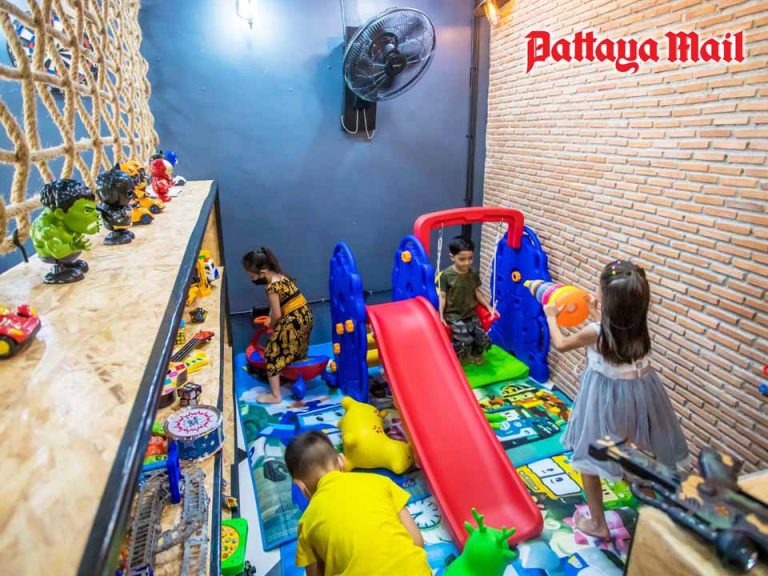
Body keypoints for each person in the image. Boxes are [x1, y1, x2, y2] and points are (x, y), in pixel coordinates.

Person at [544, 259, 688, 539]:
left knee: (590, 455)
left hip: (605, 398)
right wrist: (595, 310)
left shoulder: (594, 333)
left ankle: (598, 523)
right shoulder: (638, 327)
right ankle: (655, 512)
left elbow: (561, 344)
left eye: (599, 288)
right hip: (641, 396)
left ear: (607, 298)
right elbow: (611, 330)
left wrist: (550, 316)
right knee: (638, 452)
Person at [285, 431, 430, 576]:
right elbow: (417, 542)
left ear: (300, 486)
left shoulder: (307, 521)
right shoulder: (380, 482)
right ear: (341, 461)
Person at [242, 247, 314, 403]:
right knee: (296, 346)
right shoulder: (282, 277)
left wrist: (271, 324)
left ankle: (275, 396)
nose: (252, 280)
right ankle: (292, 370)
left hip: (292, 322)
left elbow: (277, 314)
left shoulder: (271, 288)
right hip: (305, 316)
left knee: (272, 354)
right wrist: (272, 320)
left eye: (253, 276)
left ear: (263, 271)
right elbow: (280, 305)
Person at [438, 236, 494, 364]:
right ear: (452, 257)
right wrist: (440, 316)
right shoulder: (446, 275)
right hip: (454, 315)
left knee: (480, 336)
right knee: (465, 340)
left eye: (470, 258)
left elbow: (477, 291)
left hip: (471, 312)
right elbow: (442, 296)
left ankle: (476, 354)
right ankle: (458, 356)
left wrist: (488, 306)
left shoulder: (473, 273)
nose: (467, 262)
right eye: (462, 259)